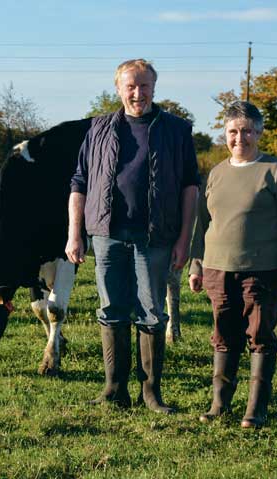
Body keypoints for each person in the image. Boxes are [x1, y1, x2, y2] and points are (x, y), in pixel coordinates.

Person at [66, 59, 199, 413]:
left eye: (144, 86)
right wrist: (74, 234)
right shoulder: (98, 128)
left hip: (154, 236)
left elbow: (190, 188)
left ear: (154, 88)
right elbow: (79, 183)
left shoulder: (176, 130)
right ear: (118, 88)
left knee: (152, 312)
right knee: (111, 308)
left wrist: (185, 239)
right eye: (131, 86)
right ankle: (114, 389)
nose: (137, 93)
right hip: (106, 234)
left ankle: (151, 393)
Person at [188, 100, 277, 428]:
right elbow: (203, 221)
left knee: (259, 334)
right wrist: (196, 266)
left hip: (262, 269)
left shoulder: (276, 172)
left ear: (259, 133)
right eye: (233, 132)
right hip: (217, 268)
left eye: (248, 131)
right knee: (223, 333)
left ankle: (256, 410)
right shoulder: (216, 173)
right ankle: (218, 405)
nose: (240, 138)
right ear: (225, 134)